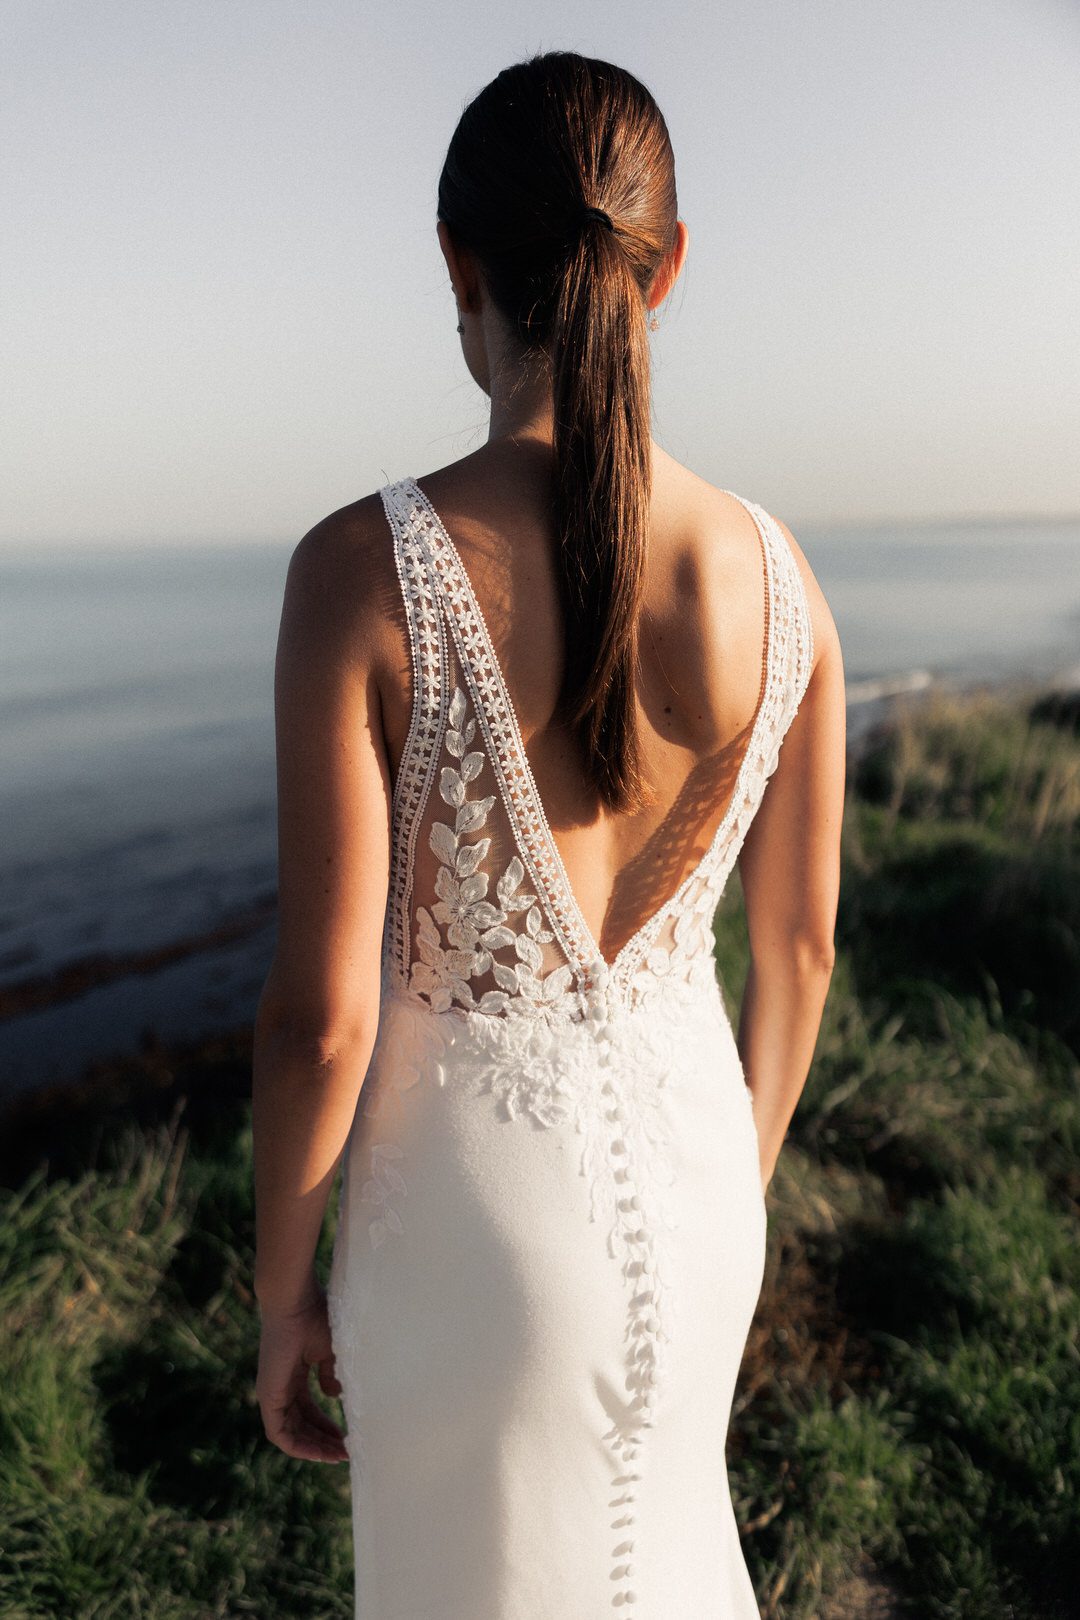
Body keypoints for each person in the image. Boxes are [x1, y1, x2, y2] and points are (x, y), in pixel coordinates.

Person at [252, 48, 845, 1620]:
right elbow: (797, 947)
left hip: (465, 1226)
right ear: (674, 268)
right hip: (705, 1171)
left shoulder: (360, 572)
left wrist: (278, 1293)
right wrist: (739, 1172)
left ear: (460, 265)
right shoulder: (784, 579)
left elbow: (322, 1018)